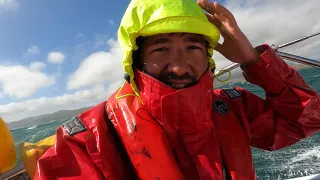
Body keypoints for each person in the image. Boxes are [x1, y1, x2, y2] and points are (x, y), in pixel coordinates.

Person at [34, 0, 320, 179]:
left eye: (193, 48)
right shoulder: (85, 142)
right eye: (161, 49)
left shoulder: (233, 107)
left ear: (208, 55)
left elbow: (306, 119)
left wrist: (253, 61)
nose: (179, 66)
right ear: (134, 57)